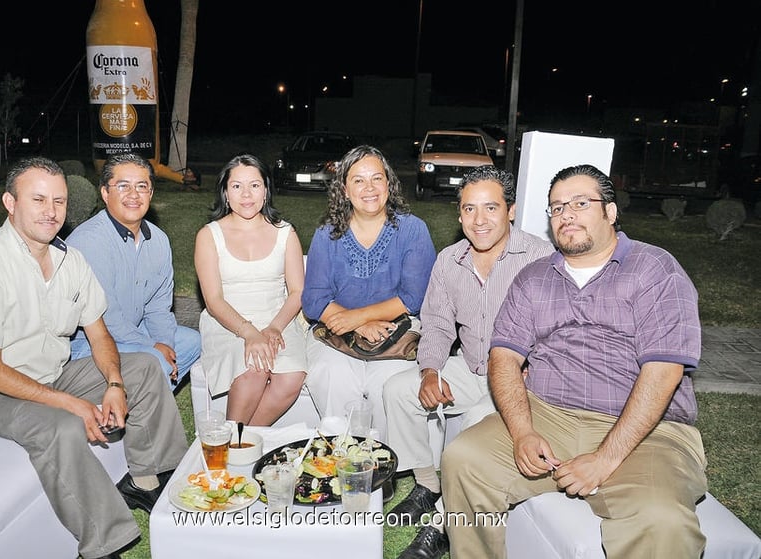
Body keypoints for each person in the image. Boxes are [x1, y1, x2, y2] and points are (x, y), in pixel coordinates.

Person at [441, 164, 707, 558]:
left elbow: (663, 370)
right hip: (550, 414)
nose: (566, 214)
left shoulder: (655, 270)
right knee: (464, 459)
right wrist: (523, 432)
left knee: (661, 520)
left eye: (581, 203)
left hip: (648, 429)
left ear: (611, 212)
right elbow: (504, 356)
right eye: (557, 207)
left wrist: (605, 458)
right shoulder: (534, 278)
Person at [0, 157, 189, 559]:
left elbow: (99, 333)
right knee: (60, 427)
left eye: (58, 201)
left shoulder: (68, 260)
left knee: (142, 367)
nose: (51, 211)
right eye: (38, 199)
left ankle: (147, 481)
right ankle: (102, 543)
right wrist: (72, 403)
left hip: (53, 373)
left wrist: (112, 382)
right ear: (10, 202)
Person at [383, 166, 554, 559]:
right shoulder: (450, 260)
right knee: (396, 391)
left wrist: (535, 366)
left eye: (491, 208)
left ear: (510, 211)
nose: (480, 220)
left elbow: (555, 329)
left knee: (478, 422)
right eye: (470, 209)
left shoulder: (540, 258)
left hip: (517, 378)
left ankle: (442, 524)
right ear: (459, 215)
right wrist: (430, 371)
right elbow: (439, 325)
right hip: (472, 365)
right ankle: (428, 486)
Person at [301, 145, 436, 447]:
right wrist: (356, 324)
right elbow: (314, 299)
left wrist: (358, 317)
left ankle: (382, 462)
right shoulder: (327, 234)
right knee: (329, 374)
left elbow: (413, 298)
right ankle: (342, 454)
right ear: (345, 190)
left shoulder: (413, 231)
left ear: (389, 184)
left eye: (377, 178)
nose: (369, 188)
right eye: (359, 180)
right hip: (336, 329)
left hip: (396, 329)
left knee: (388, 383)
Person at [67, 152, 201, 389]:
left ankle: (145, 397)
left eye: (142, 186)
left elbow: (159, 309)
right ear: (105, 193)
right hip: (88, 343)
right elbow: (107, 319)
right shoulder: (89, 242)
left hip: (132, 331)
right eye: (122, 186)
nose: (133, 195)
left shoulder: (158, 240)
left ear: (150, 193)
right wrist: (153, 347)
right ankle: (136, 401)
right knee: (154, 359)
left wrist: (163, 343)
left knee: (192, 341)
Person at [193, 153, 307, 426]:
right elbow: (213, 300)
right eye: (237, 186)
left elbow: (297, 292)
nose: (246, 194)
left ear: (266, 191)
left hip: (278, 318)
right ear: (225, 193)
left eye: (254, 185)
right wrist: (249, 333)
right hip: (228, 321)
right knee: (255, 366)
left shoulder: (285, 233)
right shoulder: (209, 235)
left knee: (291, 375)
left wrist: (275, 327)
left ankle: (242, 441)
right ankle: (236, 441)